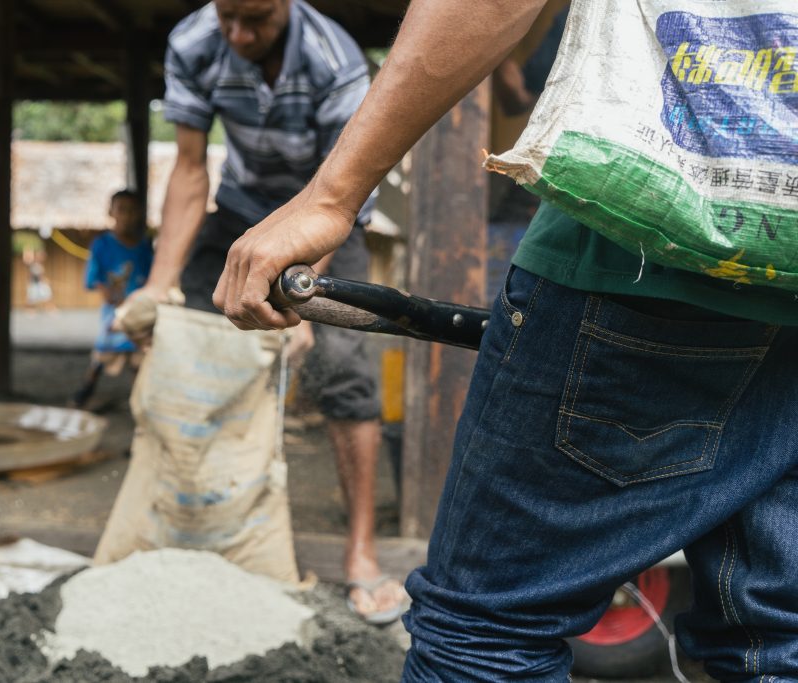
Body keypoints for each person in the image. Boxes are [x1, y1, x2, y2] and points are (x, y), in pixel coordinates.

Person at [214, 0, 798, 680]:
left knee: (484, 636)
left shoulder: (324, 53)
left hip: (641, 264)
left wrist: (331, 197)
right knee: (777, 642)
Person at [130, 0, 405, 624]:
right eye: (228, 17)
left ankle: (361, 552)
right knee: (185, 337)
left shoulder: (335, 60)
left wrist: (301, 301)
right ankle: (193, 528)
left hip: (327, 209)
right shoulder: (194, 42)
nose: (238, 34)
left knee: (342, 370)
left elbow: (345, 192)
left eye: (255, 21)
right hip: (239, 211)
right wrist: (158, 284)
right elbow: (192, 167)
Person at [71, 190, 153, 409]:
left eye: (132, 210)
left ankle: (139, 404)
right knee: (102, 354)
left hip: (138, 311)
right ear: (111, 212)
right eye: (122, 210)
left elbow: (153, 278)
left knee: (138, 359)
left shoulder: (144, 247)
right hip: (113, 313)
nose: (127, 215)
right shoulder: (102, 245)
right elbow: (92, 277)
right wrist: (104, 289)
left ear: (140, 213)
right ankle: (84, 393)